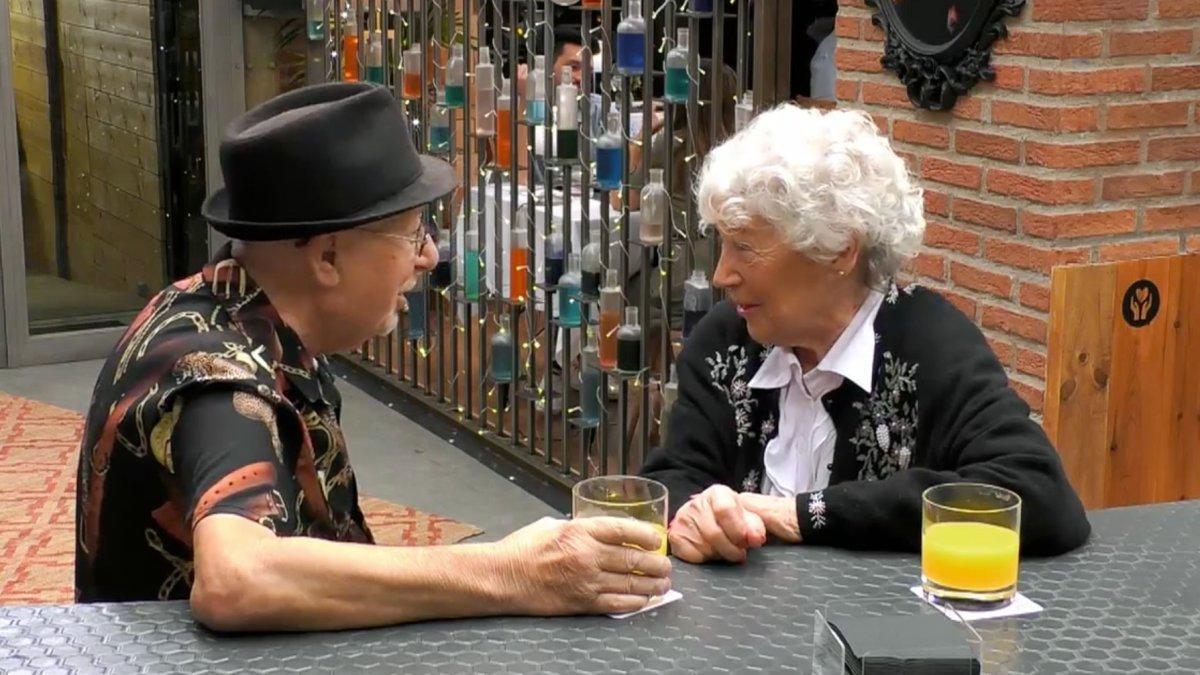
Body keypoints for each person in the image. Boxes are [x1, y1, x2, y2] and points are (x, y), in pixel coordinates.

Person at [75, 82, 670, 630]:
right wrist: (511, 571)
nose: (431, 255)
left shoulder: (220, 302)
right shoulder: (220, 381)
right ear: (327, 259)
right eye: (413, 233)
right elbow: (237, 579)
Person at [641, 105, 1090, 563]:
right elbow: (671, 481)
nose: (721, 274)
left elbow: (1039, 495)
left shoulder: (928, 343)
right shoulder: (727, 343)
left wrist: (805, 515)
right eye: (722, 244)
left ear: (839, 250)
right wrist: (694, 516)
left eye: (744, 247)